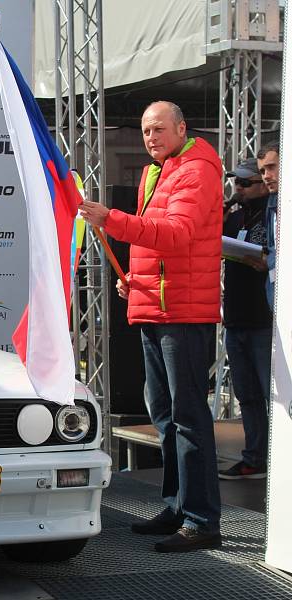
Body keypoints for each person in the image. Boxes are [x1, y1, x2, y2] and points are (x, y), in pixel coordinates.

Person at [79, 101, 223, 552]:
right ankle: (179, 507)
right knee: (164, 416)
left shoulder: (196, 170)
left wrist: (111, 220)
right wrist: (138, 282)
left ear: (182, 128)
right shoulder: (157, 171)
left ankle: (200, 519)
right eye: (145, 130)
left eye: (159, 128)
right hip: (158, 308)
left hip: (183, 313)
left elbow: (177, 234)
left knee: (187, 418)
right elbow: (163, 246)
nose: (150, 137)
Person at [218, 159, 273, 480]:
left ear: (264, 183)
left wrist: (267, 259)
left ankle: (278, 456)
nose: (238, 189)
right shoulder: (235, 215)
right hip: (236, 316)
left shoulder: (273, 214)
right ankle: (255, 457)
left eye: (245, 183)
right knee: (247, 395)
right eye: (235, 184)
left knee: (272, 394)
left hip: (264, 318)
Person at [257, 141, 279, 307]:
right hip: (276, 301)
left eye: (271, 167)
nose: (266, 176)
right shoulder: (272, 201)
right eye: (262, 171)